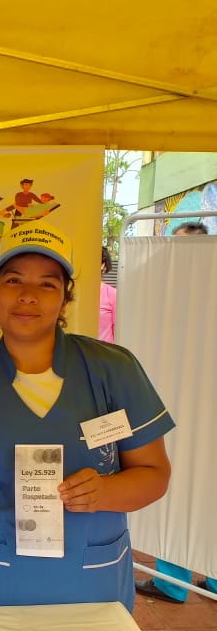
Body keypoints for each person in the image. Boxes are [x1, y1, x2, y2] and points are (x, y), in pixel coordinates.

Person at [0, 223, 174, 630]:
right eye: (13, 281)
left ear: (65, 299)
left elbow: (155, 475)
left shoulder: (114, 371)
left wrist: (105, 491)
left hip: (92, 583)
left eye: (47, 284)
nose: (28, 295)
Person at [135, 220, 216, 602]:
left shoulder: (168, 293)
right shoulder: (162, 298)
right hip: (174, 402)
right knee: (179, 487)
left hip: (194, 400)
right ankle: (173, 579)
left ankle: (193, 577)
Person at [98, 246, 116, 342]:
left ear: (102, 265)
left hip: (104, 352)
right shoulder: (76, 292)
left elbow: (117, 330)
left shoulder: (112, 294)